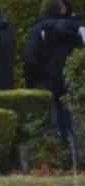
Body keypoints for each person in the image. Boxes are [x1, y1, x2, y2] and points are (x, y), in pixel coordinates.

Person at [24, 0, 83, 165]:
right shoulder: (74, 28)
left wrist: (31, 83)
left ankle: (56, 159)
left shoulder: (39, 29)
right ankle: (76, 157)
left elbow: (30, 58)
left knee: (50, 123)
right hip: (71, 84)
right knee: (71, 121)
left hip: (46, 83)